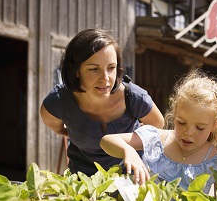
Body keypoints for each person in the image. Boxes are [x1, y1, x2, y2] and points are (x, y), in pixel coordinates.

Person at [40, 28, 164, 177]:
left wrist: (128, 145)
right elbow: (58, 128)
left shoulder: (134, 98)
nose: (105, 78)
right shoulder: (58, 103)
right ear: (75, 70)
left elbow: (158, 125)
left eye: (111, 68)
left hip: (130, 176)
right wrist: (79, 133)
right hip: (84, 179)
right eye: (94, 69)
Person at [100, 70, 217, 197]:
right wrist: (128, 151)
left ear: (214, 126)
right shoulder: (156, 139)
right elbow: (106, 141)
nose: (189, 132)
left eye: (200, 127)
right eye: (181, 122)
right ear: (174, 115)